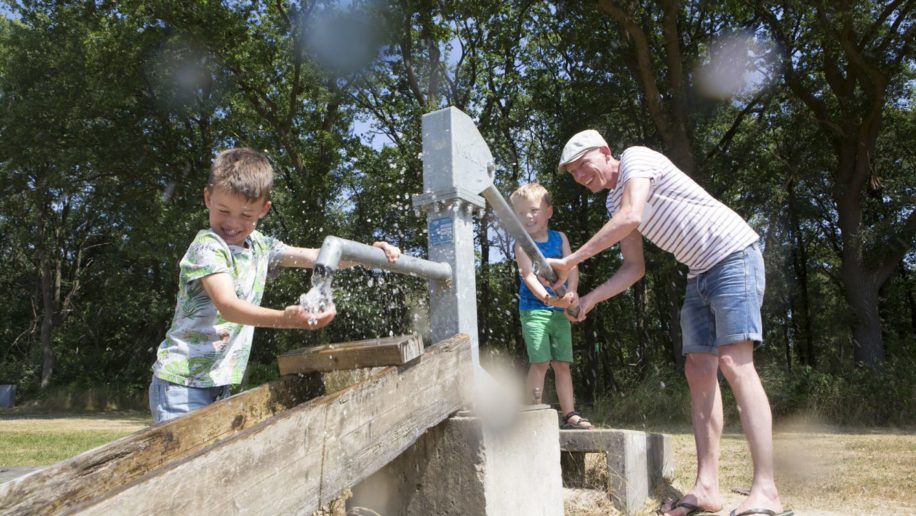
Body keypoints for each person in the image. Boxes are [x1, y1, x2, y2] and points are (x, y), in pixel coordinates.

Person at [547, 130, 790, 516]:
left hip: (733, 255)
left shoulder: (636, 160)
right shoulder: (613, 200)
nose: (579, 175)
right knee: (698, 369)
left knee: (734, 363)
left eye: (583, 165)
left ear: (606, 152)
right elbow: (634, 267)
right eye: (572, 173)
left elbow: (633, 216)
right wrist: (589, 300)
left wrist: (572, 261)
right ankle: (707, 487)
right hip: (699, 272)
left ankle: (766, 492)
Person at [149, 148, 400, 424]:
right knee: (188, 466)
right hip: (181, 384)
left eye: (246, 215)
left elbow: (316, 256)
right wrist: (285, 319)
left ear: (264, 209)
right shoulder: (207, 246)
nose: (232, 223)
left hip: (220, 383)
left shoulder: (261, 246)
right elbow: (228, 307)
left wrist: (366, 254)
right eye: (223, 210)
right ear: (208, 198)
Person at [510, 182, 592, 430]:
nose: (528, 216)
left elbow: (570, 267)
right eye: (522, 212)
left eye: (534, 210)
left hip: (560, 312)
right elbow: (529, 276)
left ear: (548, 212)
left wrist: (573, 294)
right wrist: (550, 299)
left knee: (562, 364)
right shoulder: (521, 244)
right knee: (541, 362)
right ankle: (533, 413)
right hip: (534, 311)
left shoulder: (560, 238)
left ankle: (569, 414)